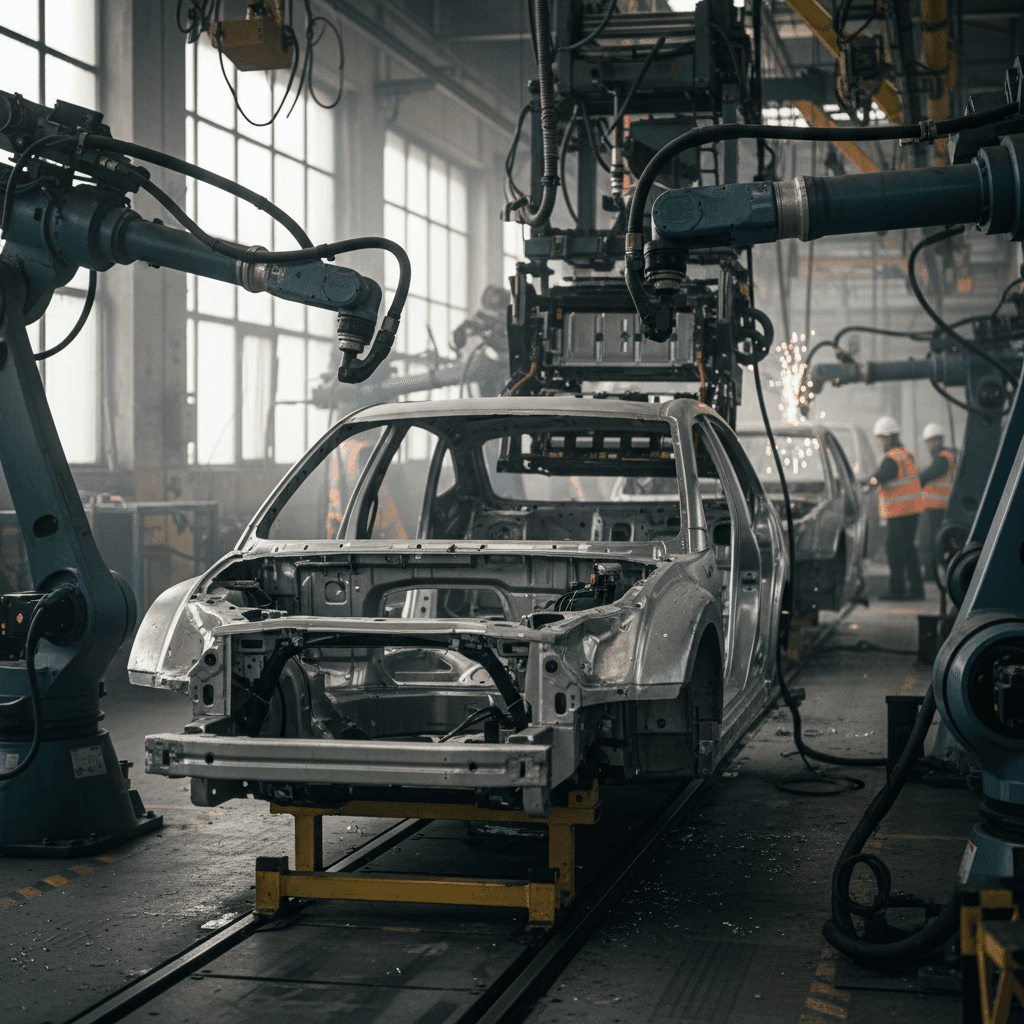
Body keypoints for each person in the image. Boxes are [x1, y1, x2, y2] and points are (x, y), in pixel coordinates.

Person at [867, 415, 925, 600]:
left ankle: (897, 590)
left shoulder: (892, 458)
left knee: (895, 552)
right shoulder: (906, 454)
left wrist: (869, 483)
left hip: (901, 512)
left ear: (888, 438)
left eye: (880, 439)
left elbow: (880, 476)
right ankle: (916, 589)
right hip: (910, 510)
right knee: (908, 551)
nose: (879, 443)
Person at [918, 422, 957, 579]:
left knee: (934, 541)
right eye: (928, 442)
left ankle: (933, 573)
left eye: (931, 442)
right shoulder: (945, 457)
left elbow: (928, 475)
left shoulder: (943, 459)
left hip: (938, 507)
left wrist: (914, 482)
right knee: (936, 540)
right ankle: (932, 572)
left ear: (939, 441)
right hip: (937, 507)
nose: (930, 446)